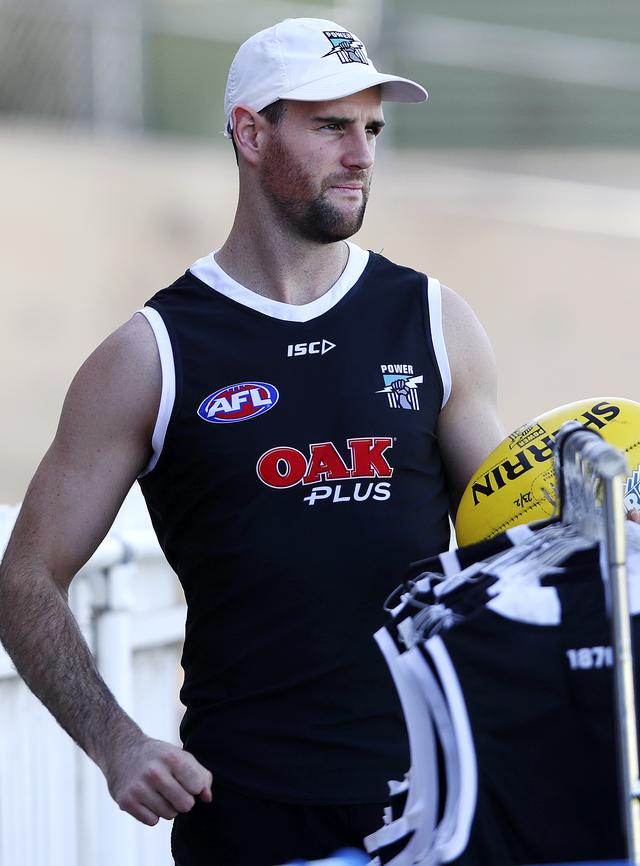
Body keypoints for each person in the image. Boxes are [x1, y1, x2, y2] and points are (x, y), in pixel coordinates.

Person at [0, 17, 506, 866]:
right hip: (250, 817)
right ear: (249, 130)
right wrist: (116, 741)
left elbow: (513, 538)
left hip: (439, 810)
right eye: (331, 126)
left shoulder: (434, 321)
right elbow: (24, 578)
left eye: (371, 128)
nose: (362, 154)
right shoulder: (150, 354)